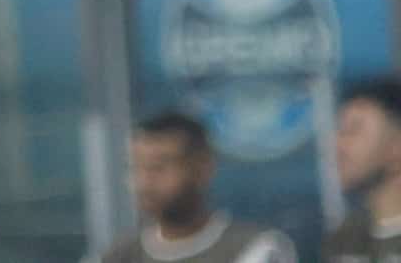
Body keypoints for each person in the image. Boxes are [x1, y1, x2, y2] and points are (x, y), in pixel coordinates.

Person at [100, 111, 294, 263]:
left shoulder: (256, 248)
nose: (144, 181)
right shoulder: (117, 257)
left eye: (158, 167)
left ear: (203, 169)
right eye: (136, 167)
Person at [329, 78, 401, 261]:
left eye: (354, 130)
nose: (339, 145)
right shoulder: (343, 240)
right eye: (340, 131)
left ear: (397, 145)